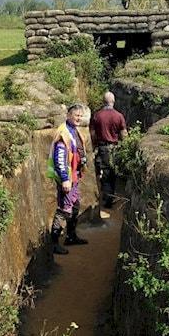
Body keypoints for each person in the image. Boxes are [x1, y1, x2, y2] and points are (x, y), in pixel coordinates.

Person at [48, 103, 89, 255]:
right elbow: (59, 159)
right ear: (68, 115)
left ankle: (71, 236)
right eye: (76, 115)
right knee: (64, 210)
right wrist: (65, 178)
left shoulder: (73, 130)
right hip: (67, 179)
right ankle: (54, 243)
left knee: (76, 206)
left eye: (80, 115)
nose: (78, 118)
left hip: (74, 177)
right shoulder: (64, 133)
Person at [89, 91, 127, 208]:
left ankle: (107, 198)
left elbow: (93, 134)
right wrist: (126, 148)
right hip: (115, 148)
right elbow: (124, 134)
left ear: (103, 101)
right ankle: (110, 197)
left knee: (105, 173)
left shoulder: (97, 115)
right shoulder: (119, 116)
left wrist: (94, 145)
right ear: (113, 101)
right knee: (113, 173)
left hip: (102, 147)